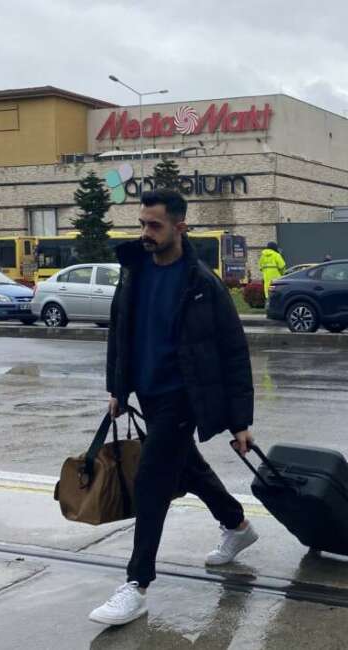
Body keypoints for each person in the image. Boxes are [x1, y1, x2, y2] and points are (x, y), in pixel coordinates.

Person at [91, 189, 258, 626]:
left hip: (182, 396)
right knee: (187, 467)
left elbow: (234, 350)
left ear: (180, 227)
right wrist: (117, 388)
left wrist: (240, 421)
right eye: (142, 224)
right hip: (147, 393)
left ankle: (136, 584)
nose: (146, 233)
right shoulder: (134, 270)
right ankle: (237, 525)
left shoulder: (201, 283)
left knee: (152, 480)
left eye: (155, 225)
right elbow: (120, 332)